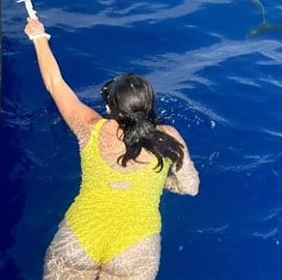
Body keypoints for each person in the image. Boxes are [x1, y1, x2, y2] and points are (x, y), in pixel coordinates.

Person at [24, 16, 200, 280]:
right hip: (135, 250)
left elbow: (54, 83)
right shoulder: (168, 138)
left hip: (78, 240)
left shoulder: (89, 127)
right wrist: (163, 181)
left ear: (110, 108)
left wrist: (38, 37)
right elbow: (191, 187)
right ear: (148, 105)